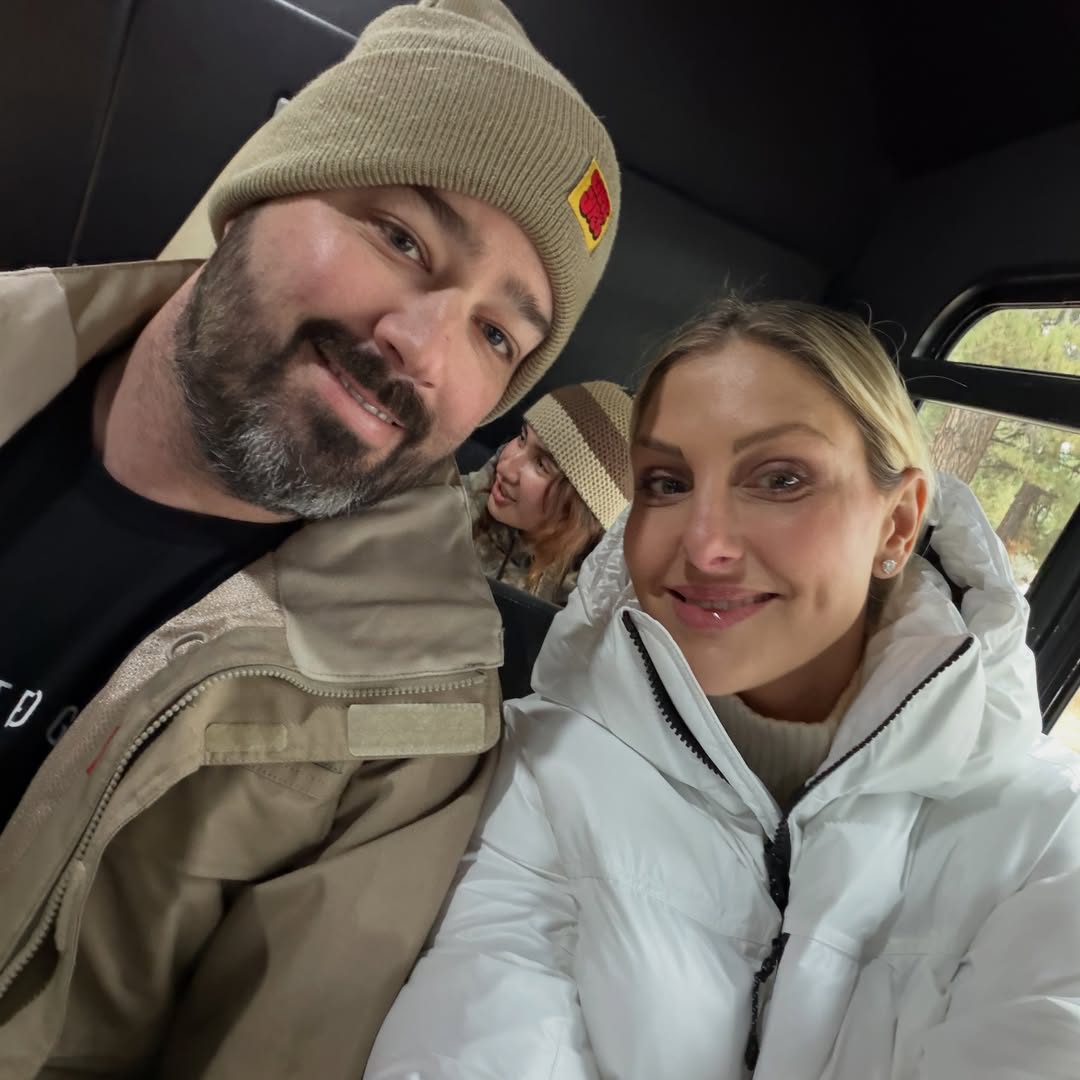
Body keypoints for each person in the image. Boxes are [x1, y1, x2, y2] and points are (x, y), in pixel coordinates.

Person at [0, 1, 619, 1075]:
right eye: (401, 236)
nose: (422, 349)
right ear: (261, 190)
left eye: (495, 335)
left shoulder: (409, 729)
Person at [366, 298, 1080, 1080]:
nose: (704, 545)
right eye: (666, 483)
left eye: (780, 479)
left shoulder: (1047, 842)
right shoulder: (541, 767)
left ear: (898, 525)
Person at [465, 380, 632, 605]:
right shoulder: (447, 502)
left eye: (542, 465)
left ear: (583, 510)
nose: (506, 467)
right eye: (523, 438)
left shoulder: (584, 611)